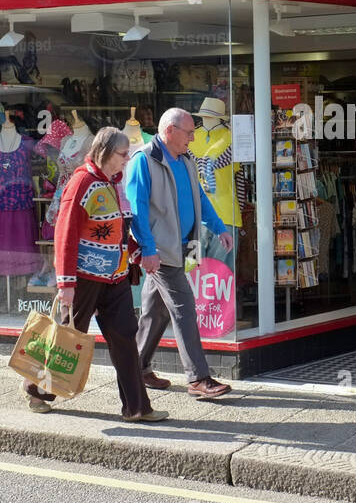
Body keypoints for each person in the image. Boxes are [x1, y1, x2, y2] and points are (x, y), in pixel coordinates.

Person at [38, 126, 166, 422]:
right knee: (68, 338)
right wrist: (66, 283)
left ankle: (137, 408)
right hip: (83, 279)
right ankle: (37, 389)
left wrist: (137, 253)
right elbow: (65, 233)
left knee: (125, 338)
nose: (126, 160)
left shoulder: (113, 182)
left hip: (115, 278)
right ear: (105, 153)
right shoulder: (82, 182)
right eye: (123, 154)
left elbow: (119, 229)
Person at [127, 108, 235, 399]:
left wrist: (220, 228)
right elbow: (136, 211)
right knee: (184, 308)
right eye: (189, 132)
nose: (193, 137)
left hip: (187, 245)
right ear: (170, 131)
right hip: (162, 251)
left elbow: (199, 197)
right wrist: (147, 250)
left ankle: (136, 367)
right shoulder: (145, 160)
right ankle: (198, 377)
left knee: (156, 311)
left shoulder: (186, 159)